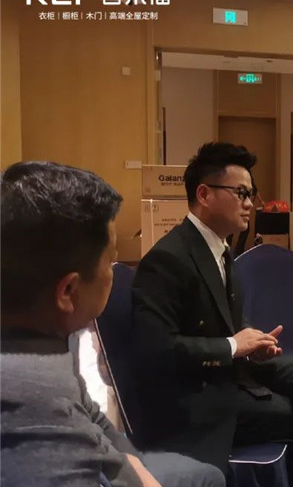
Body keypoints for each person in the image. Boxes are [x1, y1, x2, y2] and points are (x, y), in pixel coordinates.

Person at [131, 143, 293, 486]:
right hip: (197, 392)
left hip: (232, 370)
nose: (251, 203)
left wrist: (254, 342)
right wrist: (234, 346)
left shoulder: (221, 249)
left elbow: (228, 322)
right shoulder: (167, 259)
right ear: (204, 194)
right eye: (241, 193)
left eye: (252, 193)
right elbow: (156, 351)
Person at [0, 161, 225, 487]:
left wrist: (135, 471)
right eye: (110, 261)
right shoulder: (36, 406)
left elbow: (91, 414)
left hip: (106, 456)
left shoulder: (46, 332)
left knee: (203, 474)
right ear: (68, 291)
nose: (114, 272)